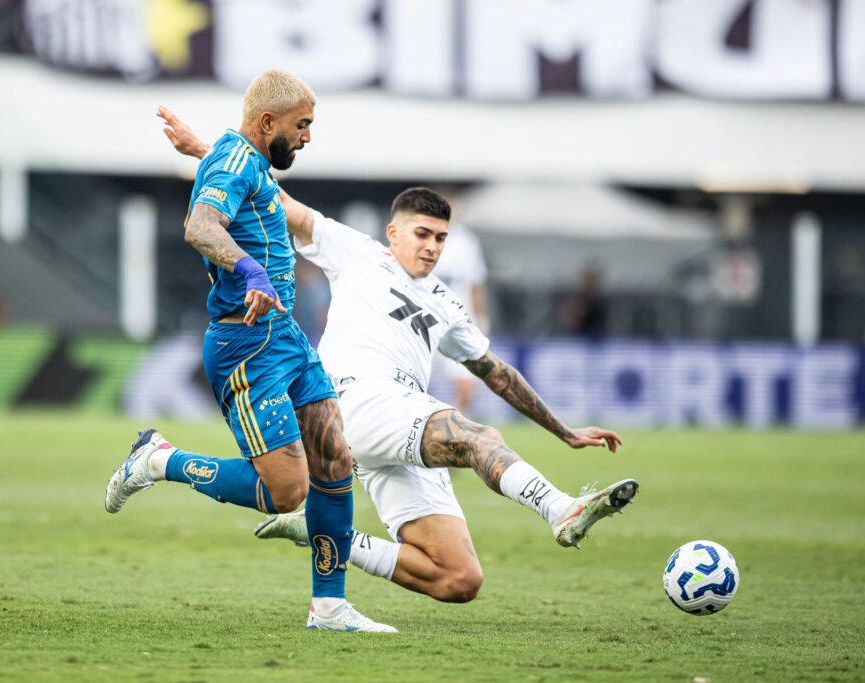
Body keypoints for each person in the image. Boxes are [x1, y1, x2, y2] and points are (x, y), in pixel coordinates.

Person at [161, 112, 638, 605]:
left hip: (397, 416)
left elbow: (496, 373)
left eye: (440, 239)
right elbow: (274, 199)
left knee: (458, 579)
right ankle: (560, 509)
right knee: (476, 437)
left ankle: (324, 532)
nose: (431, 247)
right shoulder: (357, 250)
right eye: (422, 234)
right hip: (355, 399)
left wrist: (564, 431)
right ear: (393, 232)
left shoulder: (448, 304)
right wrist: (205, 152)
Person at [103, 70, 395, 633]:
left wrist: (201, 150)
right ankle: (159, 460)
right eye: (301, 125)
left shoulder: (245, 159)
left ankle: (329, 608)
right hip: (246, 344)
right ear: (267, 122)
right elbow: (200, 226)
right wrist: (251, 270)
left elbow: (239, 181)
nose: (307, 136)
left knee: (335, 459)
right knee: (287, 492)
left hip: (284, 335)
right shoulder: (236, 161)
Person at [429, 205, 489, 415]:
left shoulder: (466, 241)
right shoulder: (423, 238)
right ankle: (423, 427)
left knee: (466, 388)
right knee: (421, 386)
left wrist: (481, 320)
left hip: (458, 322)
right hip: (427, 322)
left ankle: (456, 424)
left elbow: (476, 283)